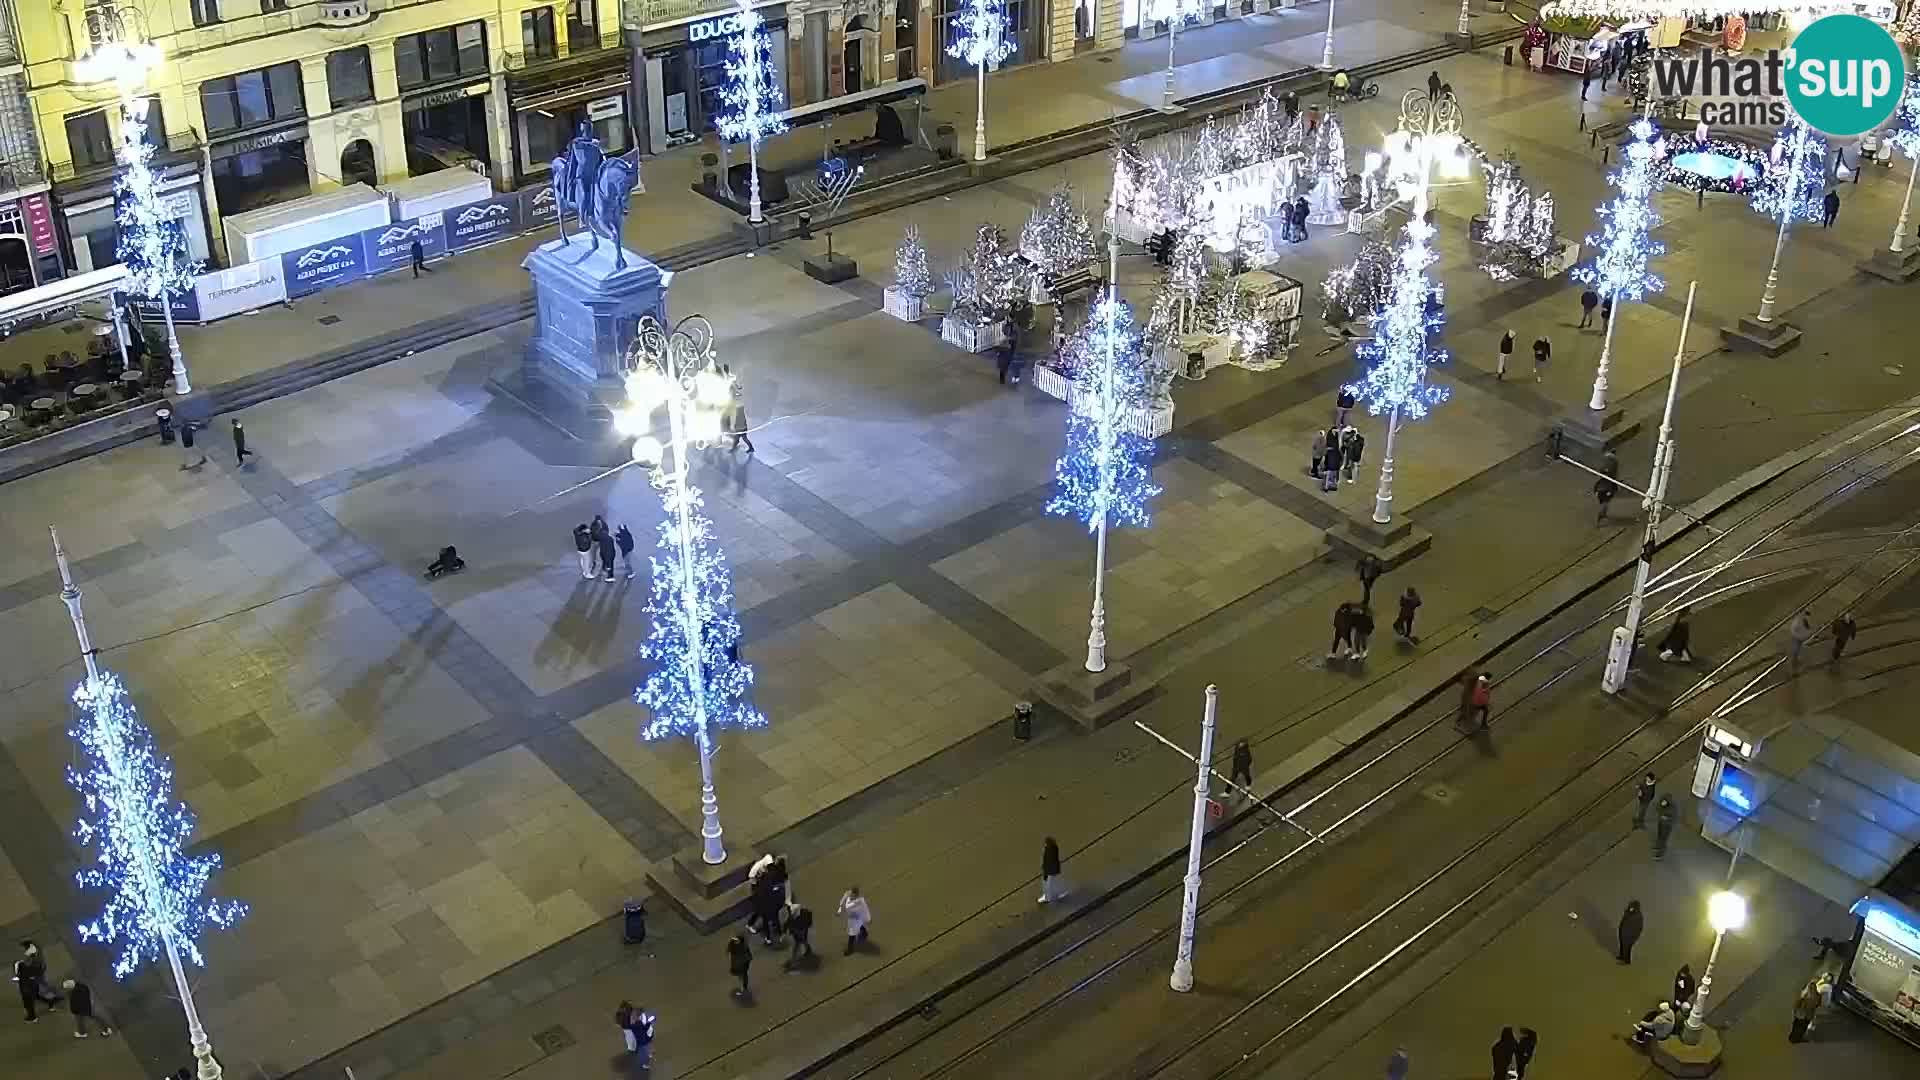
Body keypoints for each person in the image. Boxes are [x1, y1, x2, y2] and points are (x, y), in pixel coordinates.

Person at [15, 941, 59, 1021]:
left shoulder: (28, 961)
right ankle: (50, 1002)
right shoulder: (35, 954)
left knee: (32, 998)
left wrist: (21, 973)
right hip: (34, 980)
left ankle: (32, 1016)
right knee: (37, 994)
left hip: (30, 983)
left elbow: (26, 971)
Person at [837, 885, 872, 954]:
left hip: (856, 918)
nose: (852, 895)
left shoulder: (860, 902)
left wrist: (868, 918)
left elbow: (865, 910)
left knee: (851, 934)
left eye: (854, 894)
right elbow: (843, 899)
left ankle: (850, 949)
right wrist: (839, 910)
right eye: (852, 893)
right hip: (852, 916)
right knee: (859, 926)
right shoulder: (848, 895)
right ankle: (864, 933)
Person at [784, 900, 814, 968]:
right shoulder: (795, 914)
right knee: (803, 941)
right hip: (798, 931)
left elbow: (789, 923)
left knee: (796, 946)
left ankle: (793, 961)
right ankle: (808, 949)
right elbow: (788, 922)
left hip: (800, 931)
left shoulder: (802, 915)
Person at [1039, 836, 1066, 904]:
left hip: (1050, 870)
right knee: (1052, 882)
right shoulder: (1054, 847)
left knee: (1048, 884)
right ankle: (1058, 894)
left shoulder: (1048, 849)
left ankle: (1047, 897)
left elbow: (1047, 860)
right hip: (1053, 869)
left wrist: (1044, 868)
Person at [1618, 899, 1644, 963]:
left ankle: (1627, 961)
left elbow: (1639, 928)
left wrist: (1634, 937)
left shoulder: (1638, 916)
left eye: (1632, 907)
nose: (1630, 908)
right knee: (1622, 945)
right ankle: (1622, 956)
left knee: (1628, 948)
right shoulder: (1628, 912)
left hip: (1630, 935)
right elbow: (1623, 920)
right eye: (1630, 906)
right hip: (1623, 932)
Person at [1653, 795, 1676, 859]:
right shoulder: (1661, 805)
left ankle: (1660, 853)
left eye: (1664, 801)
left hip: (1667, 826)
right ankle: (1658, 846)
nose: (1662, 803)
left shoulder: (1672, 808)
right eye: (1662, 801)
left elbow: (1673, 818)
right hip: (1661, 823)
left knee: (1663, 839)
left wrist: (1666, 817)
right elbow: (1657, 809)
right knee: (1659, 836)